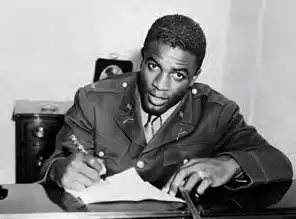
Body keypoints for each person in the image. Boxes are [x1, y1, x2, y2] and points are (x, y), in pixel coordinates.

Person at [40, 14, 293, 197]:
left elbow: (279, 163)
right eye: (153, 67)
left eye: (178, 75)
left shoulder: (218, 112)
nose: (160, 85)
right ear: (142, 58)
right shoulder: (93, 100)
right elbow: (54, 163)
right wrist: (60, 169)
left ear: (196, 76)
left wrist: (229, 164)